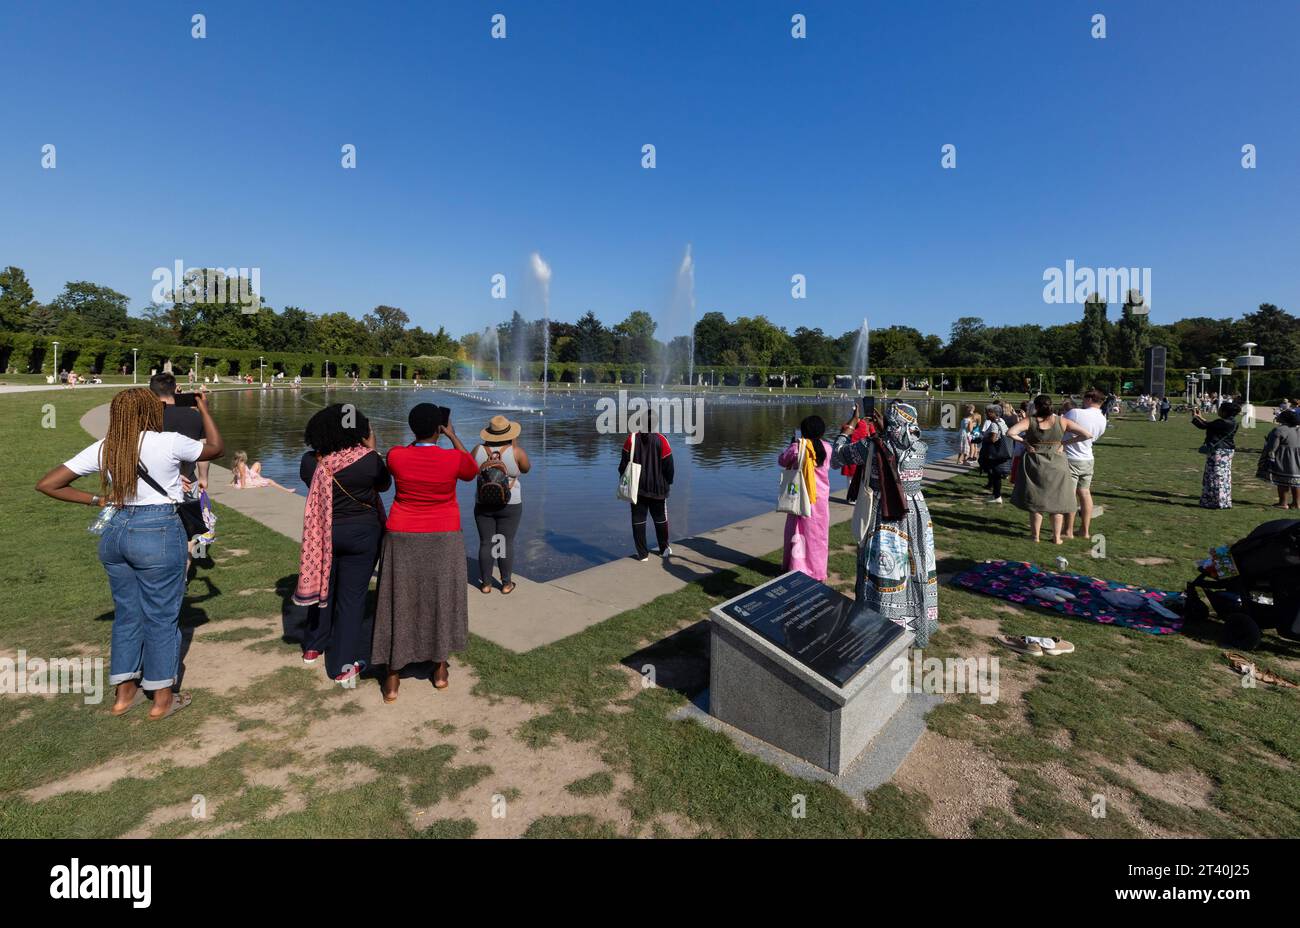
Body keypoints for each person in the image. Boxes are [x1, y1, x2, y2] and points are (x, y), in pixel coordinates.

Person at [35, 388, 224, 719]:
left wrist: (98, 500)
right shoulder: (168, 442)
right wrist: (204, 409)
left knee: (127, 614)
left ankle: (124, 696)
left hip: (116, 533)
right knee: (161, 617)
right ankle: (162, 699)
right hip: (158, 531)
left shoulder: (107, 447)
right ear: (152, 412)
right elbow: (216, 449)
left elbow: (48, 483)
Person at [373, 404, 477, 701]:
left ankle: (392, 679)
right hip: (444, 534)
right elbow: (470, 468)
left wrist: (421, 438)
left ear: (412, 428)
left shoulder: (396, 454)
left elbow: (399, 457)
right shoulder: (452, 458)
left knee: (398, 599)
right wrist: (452, 435)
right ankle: (440, 670)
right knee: (441, 597)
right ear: (439, 429)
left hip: (402, 533)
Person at [294, 404, 390, 684]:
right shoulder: (369, 460)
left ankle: (313, 646)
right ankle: (342, 666)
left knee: (324, 587)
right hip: (362, 534)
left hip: (323, 533)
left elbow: (311, 484)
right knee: (351, 599)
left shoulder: (311, 462)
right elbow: (383, 485)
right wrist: (371, 446)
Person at [831, 402, 938, 647]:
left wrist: (847, 430)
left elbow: (839, 456)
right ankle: (915, 624)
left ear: (890, 421)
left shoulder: (871, 446)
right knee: (915, 565)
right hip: (915, 512)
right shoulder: (920, 446)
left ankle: (879, 623)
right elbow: (897, 449)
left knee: (883, 569)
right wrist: (883, 431)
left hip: (885, 512)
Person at [1008, 395, 1093, 544]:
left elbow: (1010, 433)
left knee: (1036, 501)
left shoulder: (1030, 421)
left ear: (1036, 406)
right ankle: (1057, 537)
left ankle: (1035, 537)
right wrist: (1065, 443)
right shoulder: (1062, 421)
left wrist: (1025, 442)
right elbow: (1087, 435)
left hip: (1035, 463)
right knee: (1057, 503)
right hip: (1057, 463)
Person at [470, 415, 530, 594]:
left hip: (483, 502)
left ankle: (486, 584)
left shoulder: (478, 449)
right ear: (510, 433)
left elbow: (471, 470)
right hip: (510, 503)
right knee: (505, 542)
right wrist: (514, 447)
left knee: (485, 543)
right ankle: (505, 584)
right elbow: (526, 469)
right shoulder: (517, 452)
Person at [778, 415, 832, 581]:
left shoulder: (797, 448)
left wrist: (792, 444)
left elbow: (781, 460)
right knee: (818, 536)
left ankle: (797, 567)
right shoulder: (827, 448)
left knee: (798, 532)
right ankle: (817, 570)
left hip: (801, 496)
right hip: (820, 498)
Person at [619, 414, 674, 561]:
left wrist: (623, 479)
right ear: (655, 424)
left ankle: (642, 554)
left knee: (638, 520)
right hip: (658, 489)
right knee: (660, 519)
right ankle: (664, 549)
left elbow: (623, 465)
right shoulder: (662, 440)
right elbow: (669, 466)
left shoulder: (631, 439)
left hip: (637, 487)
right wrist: (669, 482)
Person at [149, 373, 209, 504]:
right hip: (188, 479)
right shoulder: (195, 415)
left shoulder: (148, 417)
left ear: (151, 392)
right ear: (174, 388)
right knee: (190, 522)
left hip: (155, 481)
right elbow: (203, 450)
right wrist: (203, 478)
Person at [1062, 388, 1108, 539]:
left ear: (1089, 399)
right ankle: (1085, 530)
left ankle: (1068, 530)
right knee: (1085, 493)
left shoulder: (1076, 413)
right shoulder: (1103, 418)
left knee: (1070, 495)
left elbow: (1059, 426)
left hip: (1071, 457)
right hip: (1088, 458)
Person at [1192, 402, 1240, 509]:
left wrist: (1194, 417)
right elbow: (1211, 424)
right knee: (1224, 476)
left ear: (1225, 412)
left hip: (1219, 451)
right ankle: (1224, 501)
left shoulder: (1222, 422)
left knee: (1215, 476)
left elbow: (1205, 426)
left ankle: (1215, 502)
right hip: (1227, 451)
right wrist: (1200, 417)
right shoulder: (1233, 422)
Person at [1258, 409, 1300, 509]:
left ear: (1284, 418)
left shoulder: (1279, 430)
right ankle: (1296, 503)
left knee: (1282, 481)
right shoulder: (1298, 429)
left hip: (1285, 458)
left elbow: (1272, 448)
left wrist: (1267, 458)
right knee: (1297, 481)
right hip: (1298, 458)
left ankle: (1283, 503)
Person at [978, 403, 1012, 503]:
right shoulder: (1002, 421)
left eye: (987, 413)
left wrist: (983, 438)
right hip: (1001, 452)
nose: (986, 414)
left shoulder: (994, 424)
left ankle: (997, 496)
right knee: (996, 474)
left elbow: (993, 438)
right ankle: (996, 495)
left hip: (995, 453)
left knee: (996, 474)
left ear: (993, 413)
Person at [230, 451, 295, 492]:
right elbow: (242, 475)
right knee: (270, 481)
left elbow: (237, 475)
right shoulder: (242, 465)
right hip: (248, 481)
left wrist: (233, 482)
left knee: (257, 464)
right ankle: (286, 490)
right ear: (243, 458)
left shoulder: (237, 464)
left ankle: (259, 478)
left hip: (249, 476)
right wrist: (243, 486)